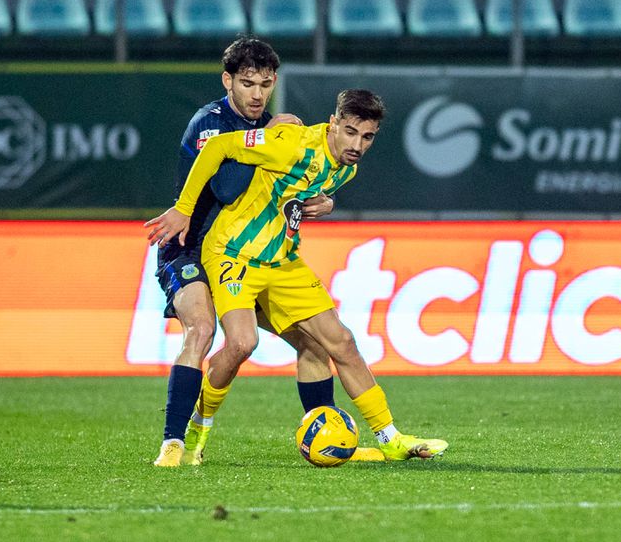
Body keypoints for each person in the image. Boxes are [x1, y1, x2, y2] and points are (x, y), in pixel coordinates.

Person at [146, 89, 449, 462]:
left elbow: (306, 192)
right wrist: (184, 207)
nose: (357, 145)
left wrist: (327, 203)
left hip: (282, 263)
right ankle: (197, 428)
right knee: (242, 342)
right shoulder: (291, 142)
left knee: (340, 342)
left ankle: (390, 438)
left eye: (367, 137)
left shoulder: (347, 167)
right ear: (334, 123)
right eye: (350, 132)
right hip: (233, 253)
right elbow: (218, 147)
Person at [152, 37, 376, 467]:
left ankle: (327, 435)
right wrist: (269, 134)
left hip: (248, 257)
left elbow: (293, 186)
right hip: (190, 247)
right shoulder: (211, 122)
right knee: (202, 330)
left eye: (266, 84)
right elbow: (227, 188)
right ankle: (175, 442)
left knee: (314, 344)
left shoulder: (273, 130)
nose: (257, 94)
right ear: (228, 81)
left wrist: (324, 201)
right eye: (247, 83)